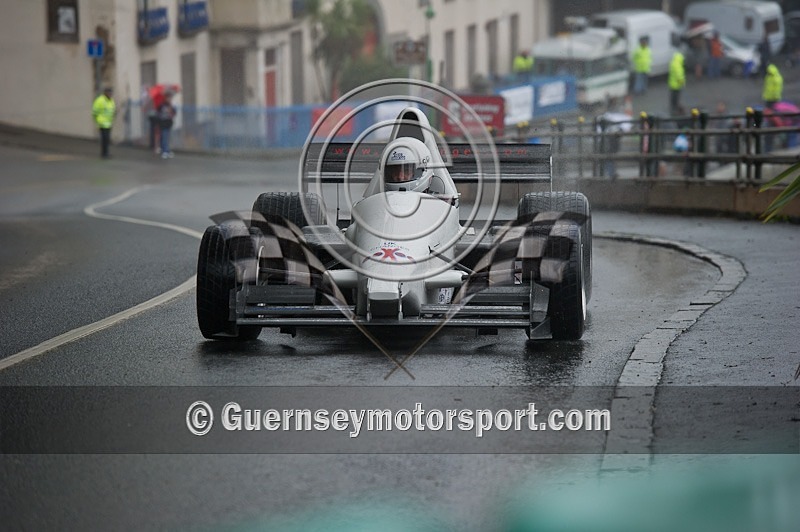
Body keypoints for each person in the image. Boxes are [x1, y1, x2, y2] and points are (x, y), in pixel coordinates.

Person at [92, 86, 116, 158]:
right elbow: (95, 111)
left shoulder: (111, 100)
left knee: (107, 139)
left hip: (108, 123)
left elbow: (112, 110)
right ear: (105, 93)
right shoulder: (100, 100)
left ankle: (106, 153)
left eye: (111, 92)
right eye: (109, 92)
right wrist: (97, 120)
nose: (110, 94)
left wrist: (114, 114)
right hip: (102, 123)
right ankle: (104, 153)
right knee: (104, 139)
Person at [157, 91, 177, 159]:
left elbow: (174, 113)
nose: (169, 99)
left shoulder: (171, 105)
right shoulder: (162, 105)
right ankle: (165, 151)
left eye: (170, 98)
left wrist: (171, 109)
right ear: (165, 98)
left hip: (169, 123)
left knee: (167, 137)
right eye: (168, 98)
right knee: (164, 136)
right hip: (163, 123)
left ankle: (166, 150)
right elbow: (159, 112)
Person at [668, 51, 686, 116]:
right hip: (677, 85)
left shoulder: (673, 63)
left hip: (672, 84)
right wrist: (682, 83)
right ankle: (675, 109)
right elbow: (679, 76)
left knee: (672, 97)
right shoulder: (678, 66)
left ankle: (672, 107)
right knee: (676, 98)